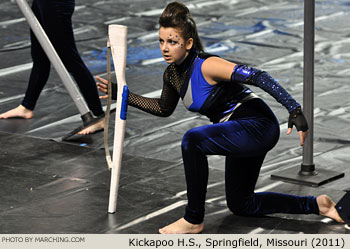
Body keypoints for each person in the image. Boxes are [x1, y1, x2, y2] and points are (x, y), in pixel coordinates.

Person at [97, 2, 344, 234]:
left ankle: (193, 219)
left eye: (172, 41)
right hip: (237, 130)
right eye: (161, 41)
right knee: (242, 204)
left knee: (192, 140)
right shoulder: (171, 74)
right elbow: (163, 108)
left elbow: (258, 76)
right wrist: (124, 94)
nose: (164, 47)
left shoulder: (207, 65)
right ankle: (318, 205)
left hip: (257, 125)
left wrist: (295, 110)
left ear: (188, 43)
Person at [0, 0, 104, 135]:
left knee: (70, 60)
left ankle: (98, 116)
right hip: (41, 2)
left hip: (55, 4)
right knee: (40, 58)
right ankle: (26, 107)